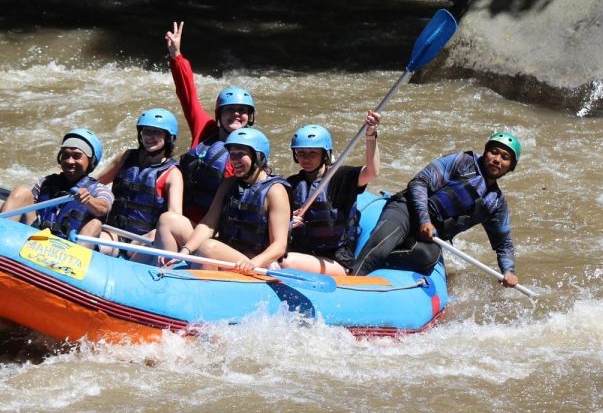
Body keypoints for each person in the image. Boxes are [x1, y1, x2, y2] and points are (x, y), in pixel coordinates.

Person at [350, 132, 522, 289]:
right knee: (383, 242)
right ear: (486, 152)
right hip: (407, 209)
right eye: (494, 152)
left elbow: (504, 243)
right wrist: (424, 220)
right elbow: (420, 182)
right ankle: (354, 279)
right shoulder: (463, 161)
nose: (497, 159)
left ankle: (379, 264)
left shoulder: (496, 203)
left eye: (505, 157)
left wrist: (509, 271)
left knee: (428, 259)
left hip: (431, 235)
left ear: (511, 166)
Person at [157, 127, 290, 275]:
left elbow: (279, 245)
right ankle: (165, 272)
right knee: (168, 219)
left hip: (254, 262)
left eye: (241, 154)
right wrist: (184, 251)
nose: (235, 160)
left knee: (209, 247)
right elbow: (208, 224)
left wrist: (253, 263)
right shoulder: (229, 183)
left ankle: (201, 288)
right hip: (226, 252)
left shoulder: (275, 191)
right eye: (232, 154)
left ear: (258, 157)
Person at [164, 21, 256, 225]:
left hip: (216, 226)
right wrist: (176, 56)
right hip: (184, 215)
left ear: (249, 117)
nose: (236, 115)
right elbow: (188, 95)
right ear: (219, 115)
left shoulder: (255, 148)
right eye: (230, 110)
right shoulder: (205, 130)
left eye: (242, 111)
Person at [280, 110, 381, 276]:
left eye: (313, 153)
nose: (306, 158)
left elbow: (372, 172)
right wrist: (288, 222)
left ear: (324, 154)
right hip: (302, 252)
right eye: (301, 153)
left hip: (335, 259)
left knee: (284, 261)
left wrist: (371, 136)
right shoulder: (292, 183)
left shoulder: (340, 178)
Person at [92, 108, 183, 251]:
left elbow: (174, 219)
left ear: (169, 138)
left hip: (144, 240)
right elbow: (96, 183)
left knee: (155, 234)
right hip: (114, 233)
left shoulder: (172, 174)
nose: (150, 136)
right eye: (147, 131)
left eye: (157, 132)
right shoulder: (126, 156)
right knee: (96, 244)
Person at [0, 128, 113, 240]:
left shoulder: (99, 189)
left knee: (95, 223)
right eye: (65, 155)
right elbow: (28, 207)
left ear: (91, 162)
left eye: (77, 156)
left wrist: (89, 200)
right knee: (21, 192)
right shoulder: (45, 182)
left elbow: (104, 208)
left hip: (71, 247)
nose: (69, 161)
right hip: (37, 234)